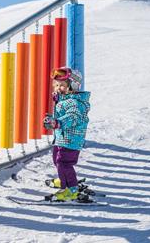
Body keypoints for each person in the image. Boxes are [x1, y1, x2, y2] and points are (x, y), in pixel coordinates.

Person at [43, 67, 90, 202]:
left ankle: (71, 190)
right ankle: (63, 179)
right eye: (56, 85)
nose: (58, 88)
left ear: (73, 85)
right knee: (57, 159)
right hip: (63, 138)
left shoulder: (74, 102)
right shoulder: (64, 99)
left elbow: (72, 117)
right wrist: (52, 120)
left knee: (64, 163)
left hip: (71, 140)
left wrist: (57, 122)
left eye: (62, 85)